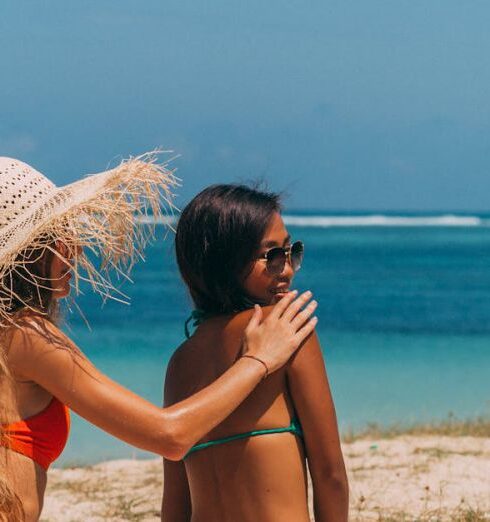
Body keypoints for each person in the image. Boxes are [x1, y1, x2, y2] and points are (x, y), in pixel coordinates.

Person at [0, 157, 318, 522]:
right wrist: (258, 359)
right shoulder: (25, 335)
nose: (74, 249)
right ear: (27, 252)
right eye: (57, 238)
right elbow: (170, 436)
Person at [163, 184, 348, 522]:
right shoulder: (284, 330)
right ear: (225, 262)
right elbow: (330, 473)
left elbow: (175, 506)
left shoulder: (180, 362)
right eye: (272, 256)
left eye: (291, 251)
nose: (288, 269)